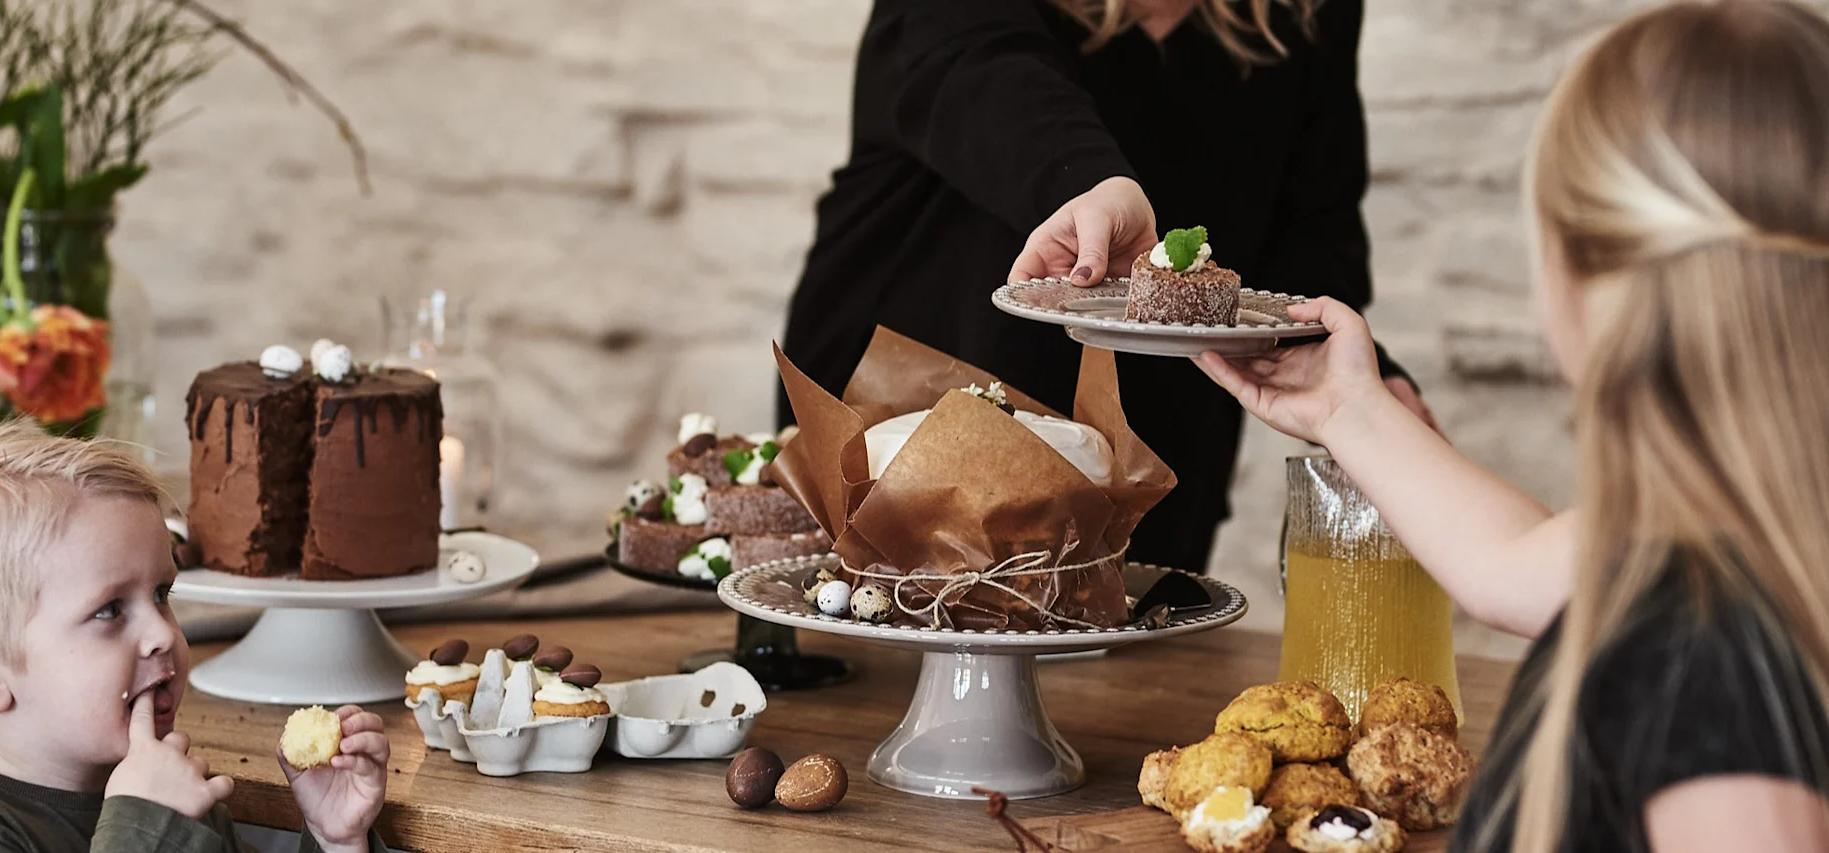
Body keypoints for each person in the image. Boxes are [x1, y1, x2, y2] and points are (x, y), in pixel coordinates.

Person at [1193, 1, 1829, 850]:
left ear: (1586, 277)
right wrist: (1347, 406)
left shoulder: (1709, 662)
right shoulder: (1727, 545)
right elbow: (1507, 562)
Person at [778, 0, 1432, 574]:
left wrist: (1353, 375)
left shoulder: (1306, 12)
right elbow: (979, 67)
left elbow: (1309, 231)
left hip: (1149, 458)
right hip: (904, 430)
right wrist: (1089, 185)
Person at [0, 422, 391, 853]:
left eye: (162, 593)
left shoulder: (168, 786)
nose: (163, 632)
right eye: (110, 610)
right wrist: (146, 826)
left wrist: (335, 839)